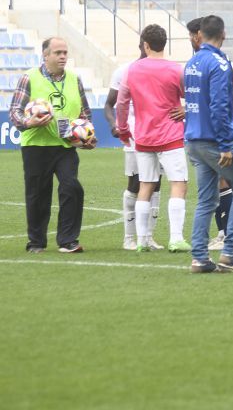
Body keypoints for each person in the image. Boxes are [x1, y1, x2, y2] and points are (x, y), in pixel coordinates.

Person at [184, 15, 233, 273]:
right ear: (223, 34)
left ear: (200, 35)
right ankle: (231, 252)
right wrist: (227, 143)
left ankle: (200, 258)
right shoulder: (220, 63)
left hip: (193, 139)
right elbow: (219, 105)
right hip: (214, 141)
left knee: (206, 200)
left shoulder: (192, 62)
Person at [8, 36, 96, 253]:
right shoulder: (29, 78)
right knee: (38, 194)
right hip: (36, 146)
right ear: (45, 56)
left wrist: (86, 136)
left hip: (65, 146)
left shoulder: (75, 79)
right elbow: (15, 111)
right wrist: (29, 121)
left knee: (72, 187)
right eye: (58, 53)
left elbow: (85, 113)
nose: (63, 56)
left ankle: (68, 240)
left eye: (65, 52)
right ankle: (36, 242)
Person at [117, 25, 189, 253]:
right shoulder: (176, 70)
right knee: (178, 184)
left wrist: (123, 129)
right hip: (170, 136)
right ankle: (176, 238)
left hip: (144, 137)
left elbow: (121, 103)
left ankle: (141, 240)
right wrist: (185, 110)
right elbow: (191, 96)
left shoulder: (132, 70)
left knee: (145, 186)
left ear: (145, 45)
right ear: (164, 44)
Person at [103, 43, 162, 251]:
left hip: (158, 134)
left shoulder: (161, 70)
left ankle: (148, 237)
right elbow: (109, 104)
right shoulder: (124, 71)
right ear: (142, 46)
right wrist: (114, 125)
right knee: (135, 185)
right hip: (134, 135)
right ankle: (129, 238)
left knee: (156, 184)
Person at [188, 17, 231, 250]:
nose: (192, 40)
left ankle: (223, 237)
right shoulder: (201, 62)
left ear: (200, 35)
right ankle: (223, 239)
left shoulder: (213, 62)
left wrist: (227, 140)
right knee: (226, 187)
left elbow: (219, 103)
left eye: (193, 35)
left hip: (211, 134)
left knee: (229, 184)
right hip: (207, 134)